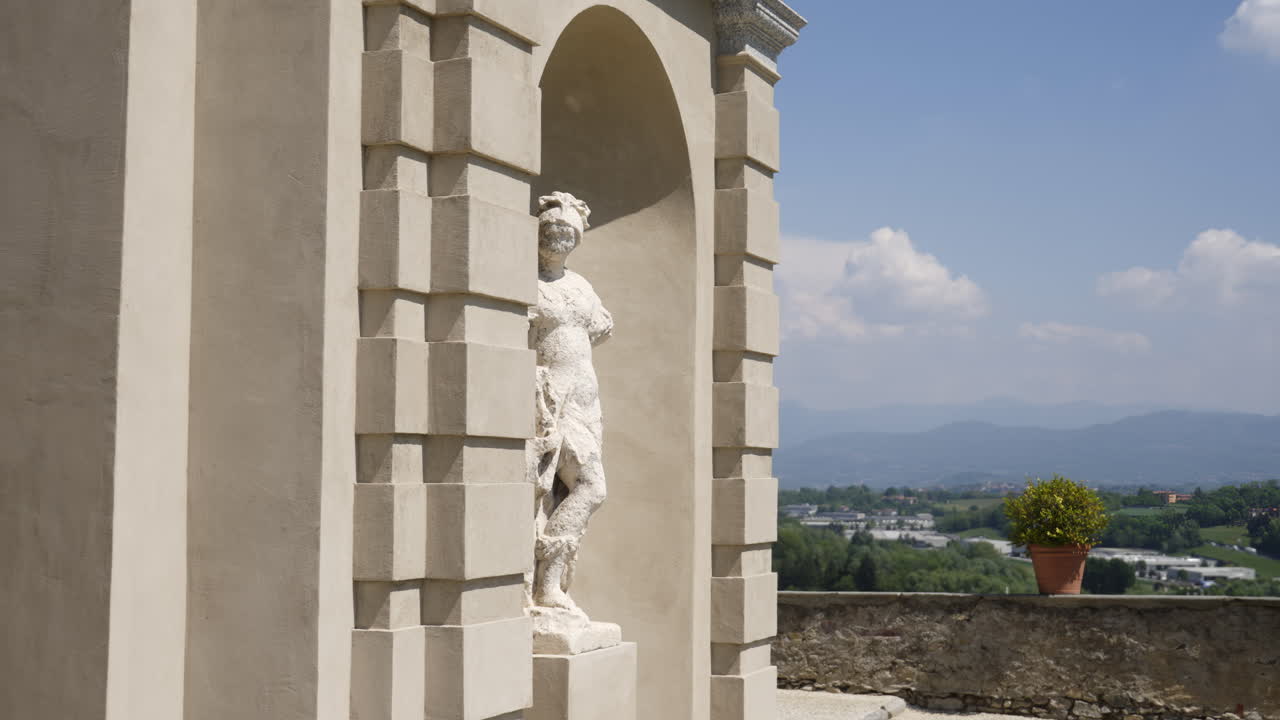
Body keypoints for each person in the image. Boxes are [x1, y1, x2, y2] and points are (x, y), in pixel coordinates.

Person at [526, 191, 613, 615]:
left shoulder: (581, 287)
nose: (560, 236)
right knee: (591, 488)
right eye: (552, 229)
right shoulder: (524, 280)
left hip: (585, 400)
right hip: (551, 399)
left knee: (574, 489)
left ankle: (551, 583)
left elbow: (600, 326)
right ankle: (546, 583)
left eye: (567, 231)